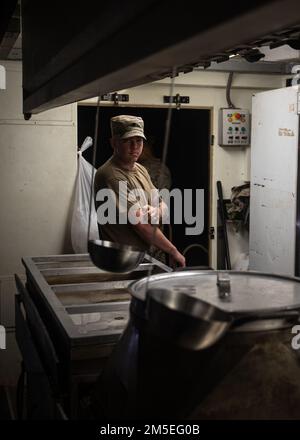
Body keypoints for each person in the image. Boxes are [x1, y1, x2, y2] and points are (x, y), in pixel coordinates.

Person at [94, 115, 185, 267]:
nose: (134, 147)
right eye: (127, 141)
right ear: (113, 142)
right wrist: (173, 251)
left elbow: (162, 204)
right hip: (122, 260)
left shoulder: (140, 169)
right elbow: (140, 224)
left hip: (143, 257)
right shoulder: (111, 175)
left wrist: (158, 211)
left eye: (139, 141)